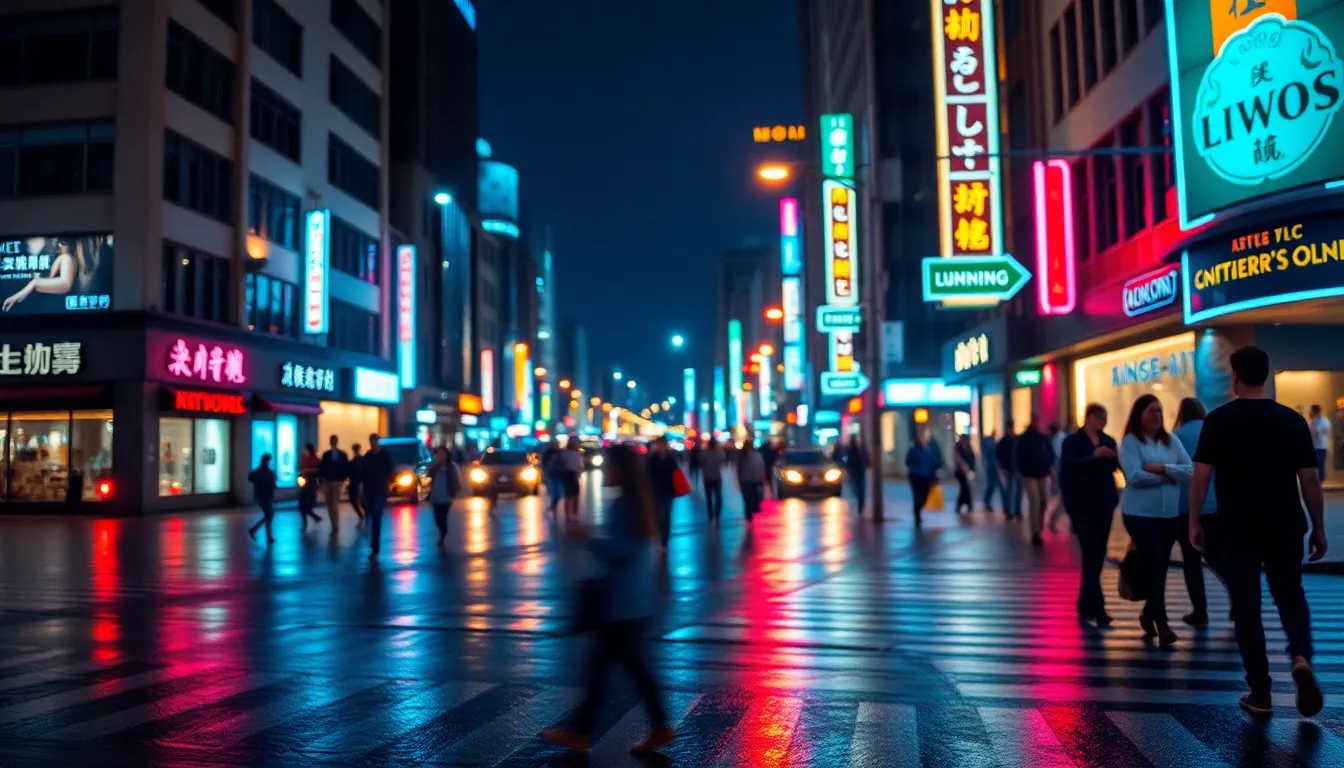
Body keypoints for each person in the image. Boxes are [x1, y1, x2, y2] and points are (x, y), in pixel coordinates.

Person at [1190, 345, 1327, 717]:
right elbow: (1310, 479)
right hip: (1285, 524)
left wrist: (1194, 521)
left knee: (1247, 605)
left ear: (1235, 376)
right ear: (1265, 375)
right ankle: (1301, 657)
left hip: (1237, 528)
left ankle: (1261, 691)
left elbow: (1201, 475)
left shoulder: (1219, 420)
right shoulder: (1291, 420)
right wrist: (1318, 527)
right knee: (1290, 593)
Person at [542, 445, 674, 754]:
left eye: (608, 466)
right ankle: (655, 727)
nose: (604, 472)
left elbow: (621, 552)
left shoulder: (622, 505)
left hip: (621, 602)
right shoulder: (640, 501)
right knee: (623, 667)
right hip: (637, 598)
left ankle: (584, 733)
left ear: (620, 470)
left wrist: (587, 537)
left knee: (606, 668)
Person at [1119, 394, 1194, 646]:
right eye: (1152, 411)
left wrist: (1163, 469)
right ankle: (1162, 623)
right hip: (1140, 515)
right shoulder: (1131, 442)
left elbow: (1190, 470)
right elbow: (1134, 476)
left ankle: (1149, 613)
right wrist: (1171, 476)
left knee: (1160, 566)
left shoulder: (1171, 440)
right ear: (1139, 414)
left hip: (1168, 515)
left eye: (1160, 411)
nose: (1157, 416)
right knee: (1156, 561)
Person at [1058, 404, 1119, 626]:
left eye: (1105, 418)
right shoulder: (1073, 442)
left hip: (1104, 503)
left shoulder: (1108, 440)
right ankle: (1098, 608)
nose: (1103, 422)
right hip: (1082, 506)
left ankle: (1085, 605)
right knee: (1091, 550)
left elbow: (1115, 467)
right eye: (1099, 418)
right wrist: (1093, 456)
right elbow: (1068, 467)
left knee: (1097, 555)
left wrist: (1112, 457)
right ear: (1089, 418)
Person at [1173, 397, 1219, 627]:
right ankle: (1238, 602)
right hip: (1215, 505)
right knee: (1219, 557)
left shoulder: (1177, 436)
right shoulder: (1213, 431)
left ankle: (1200, 611)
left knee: (1191, 561)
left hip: (1185, 506)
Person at [1015, 414, 1056, 545]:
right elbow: (1017, 455)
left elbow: (1051, 453)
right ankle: (1035, 532)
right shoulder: (1023, 439)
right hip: (1029, 474)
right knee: (1035, 501)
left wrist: (1049, 465)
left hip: (1043, 472)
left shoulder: (1044, 438)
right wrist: (1021, 470)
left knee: (1044, 500)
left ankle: (1039, 526)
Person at [359, 434, 397, 560]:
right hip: (369, 490)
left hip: (380, 489)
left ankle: (375, 548)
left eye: (375, 441)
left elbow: (391, 469)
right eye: (372, 442)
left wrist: (388, 482)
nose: (373, 444)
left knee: (376, 515)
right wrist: (361, 489)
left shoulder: (384, 455)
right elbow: (362, 473)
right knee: (371, 516)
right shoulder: (368, 456)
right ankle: (373, 544)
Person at [905, 428, 943, 526]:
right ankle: (917, 515)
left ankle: (919, 509)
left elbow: (935, 461)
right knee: (917, 495)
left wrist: (936, 470)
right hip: (915, 476)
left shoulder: (930, 449)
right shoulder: (914, 449)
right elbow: (908, 461)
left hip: (927, 476)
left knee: (925, 495)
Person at [646, 437, 680, 547]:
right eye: (659, 444)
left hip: (668, 491)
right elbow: (647, 475)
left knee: (666, 516)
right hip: (655, 491)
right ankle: (659, 537)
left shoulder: (670, 459)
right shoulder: (652, 459)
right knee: (657, 516)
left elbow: (676, 473)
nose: (661, 447)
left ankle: (664, 541)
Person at [429, 445, 462, 548]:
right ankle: (442, 532)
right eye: (439, 454)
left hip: (446, 497)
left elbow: (456, 481)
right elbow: (426, 477)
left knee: (442, 517)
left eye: (443, 454)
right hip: (435, 496)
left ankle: (443, 535)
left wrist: (454, 492)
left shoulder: (451, 467)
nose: (441, 456)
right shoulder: (433, 466)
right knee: (437, 517)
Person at [318, 435, 349, 537]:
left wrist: (342, 479)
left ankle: (335, 526)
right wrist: (322, 480)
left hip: (336, 481)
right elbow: (322, 468)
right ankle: (334, 525)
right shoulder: (327, 454)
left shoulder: (341, 455)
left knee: (334, 505)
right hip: (328, 481)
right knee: (330, 505)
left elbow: (346, 467)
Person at [247, 453, 279, 544]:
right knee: (269, 515)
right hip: (266, 496)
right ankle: (255, 530)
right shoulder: (269, 473)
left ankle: (264, 535)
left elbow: (251, 478)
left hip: (259, 496)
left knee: (269, 515)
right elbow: (273, 485)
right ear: (268, 461)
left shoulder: (259, 470)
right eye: (270, 460)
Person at [1046, 422, 1068, 533]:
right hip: (1065, 471)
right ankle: (1053, 520)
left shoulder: (1056, 439)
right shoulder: (1061, 437)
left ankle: (1053, 520)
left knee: (1065, 499)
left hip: (1063, 471)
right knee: (1065, 499)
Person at [995, 423, 1021, 518]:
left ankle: (1016, 511)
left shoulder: (1015, 440)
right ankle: (1008, 510)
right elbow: (999, 455)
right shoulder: (1004, 441)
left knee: (1017, 490)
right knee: (1010, 490)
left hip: (1016, 469)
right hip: (1008, 469)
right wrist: (1002, 467)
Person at [737, 440, 766, 522]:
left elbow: (739, 470)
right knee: (754, 497)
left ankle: (749, 516)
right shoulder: (757, 455)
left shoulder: (742, 457)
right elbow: (761, 468)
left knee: (747, 499)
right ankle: (751, 513)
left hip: (746, 481)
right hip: (754, 480)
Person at [558, 437, 585, 521]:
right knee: (568, 496)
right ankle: (568, 516)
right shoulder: (565, 454)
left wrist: (579, 473)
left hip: (574, 475)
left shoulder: (577, 454)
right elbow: (563, 465)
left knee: (575, 496)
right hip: (568, 475)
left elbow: (580, 465)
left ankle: (574, 515)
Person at [297, 444, 322, 531]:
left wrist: (307, 471)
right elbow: (300, 469)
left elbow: (318, 471)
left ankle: (313, 518)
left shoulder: (315, 459)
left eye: (305, 449)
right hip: (304, 483)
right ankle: (307, 522)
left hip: (311, 484)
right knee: (303, 505)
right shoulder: (303, 459)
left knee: (308, 504)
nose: (303, 450)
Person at [701, 437, 726, 523]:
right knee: (718, 497)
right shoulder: (718, 453)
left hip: (707, 478)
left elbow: (701, 463)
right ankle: (717, 515)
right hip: (717, 477)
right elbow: (723, 460)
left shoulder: (705, 453)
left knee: (709, 498)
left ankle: (711, 516)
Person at [980, 431, 1005, 513]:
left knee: (992, 486)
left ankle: (987, 502)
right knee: (997, 486)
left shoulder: (989, 445)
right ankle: (1005, 505)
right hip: (993, 468)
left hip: (992, 468)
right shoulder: (991, 445)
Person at [952, 434, 976, 515]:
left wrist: (972, 468)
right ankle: (965, 504)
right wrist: (962, 466)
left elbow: (972, 458)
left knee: (966, 488)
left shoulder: (968, 447)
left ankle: (967, 504)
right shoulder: (958, 448)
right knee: (965, 488)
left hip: (968, 470)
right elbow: (957, 459)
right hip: (960, 471)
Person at [845, 435, 869, 516]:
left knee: (858, 488)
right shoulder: (855, 449)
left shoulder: (854, 449)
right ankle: (860, 504)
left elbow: (849, 461)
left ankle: (860, 504)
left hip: (857, 471)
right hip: (857, 471)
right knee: (859, 488)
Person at [1309, 404, 1331, 483]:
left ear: (1315, 411)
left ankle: (1321, 481)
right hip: (1314, 446)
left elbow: (1327, 431)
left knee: (1321, 464)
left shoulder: (1325, 421)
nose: (1309, 413)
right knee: (1314, 465)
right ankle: (1315, 480)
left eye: (1311, 411)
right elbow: (1311, 433)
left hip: (1322, 446)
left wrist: (1319, 431)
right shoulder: (1311, 422)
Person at [348, 443, 366, 525]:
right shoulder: (363, 460)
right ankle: (365, 513)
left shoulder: (352, 461)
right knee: (360, 500)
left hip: (355, 482)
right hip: (361, 482)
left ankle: (362, 515)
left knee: (354, 500)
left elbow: (349, 472)